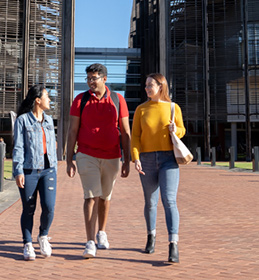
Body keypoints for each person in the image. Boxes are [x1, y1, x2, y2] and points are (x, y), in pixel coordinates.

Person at [66, 63, 131, 258]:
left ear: (104, 79)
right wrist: (69, 159)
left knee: (105, 197)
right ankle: (89, 241)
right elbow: (72, 131)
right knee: (91, 196)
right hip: (86, 154)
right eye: (88, 79)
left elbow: (126, 132)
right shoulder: (80, 100)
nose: (90, 82)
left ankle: (101, 232)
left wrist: (127, 160)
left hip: (112, 156)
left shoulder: (118, 100)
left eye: (93, 78)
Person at [131, 73, 186, 263]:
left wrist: (175, 130)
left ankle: (173, 244)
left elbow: (182, 129)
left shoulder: (173, 107)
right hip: (146, 159)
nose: (146, 88)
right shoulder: (141, 109)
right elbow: (136, 136)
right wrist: (135, 157)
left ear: (160, 86)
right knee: (150, 202)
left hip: (168, 158)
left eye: (150, 85)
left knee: (169, 200)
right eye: (146, 85)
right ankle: (151, 236)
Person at [12, 85, 57, 261]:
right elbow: (18, 147)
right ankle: (28, 243)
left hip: (48, 170)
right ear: (38, 100)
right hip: (29, 170)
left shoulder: (49, 120)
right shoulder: (23, 120)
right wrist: (18, 171)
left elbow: (52, 145)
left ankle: (43, 236)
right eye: (47, 96)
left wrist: (55, 168)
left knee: (49, 207)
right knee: (29, 209)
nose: (49, 100)